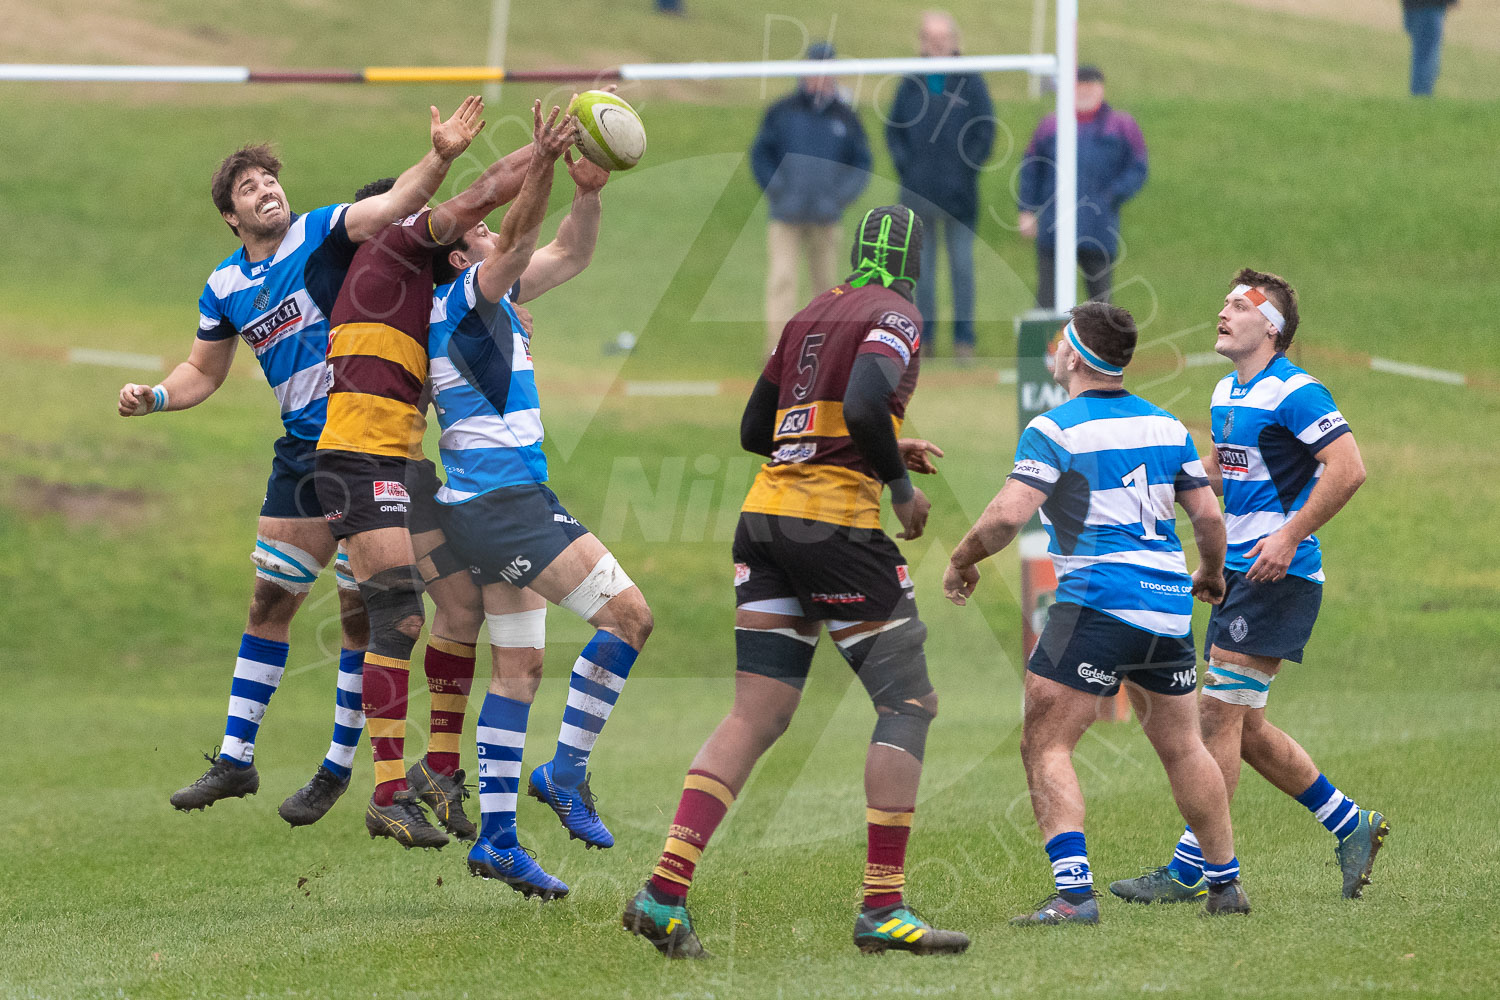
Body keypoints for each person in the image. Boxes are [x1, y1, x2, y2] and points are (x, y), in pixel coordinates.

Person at [118, 98, 486, 823]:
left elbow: (397, 203)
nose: (267, 190)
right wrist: (155, 397)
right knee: (270, 600)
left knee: (361, 616)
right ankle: (236, 758)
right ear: (230, 215)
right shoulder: (223, 286)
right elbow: (205, 370)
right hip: (299, 453)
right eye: (249, 187)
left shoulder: (320, 232)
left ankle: (337, 768)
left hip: (362, 444)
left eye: (270, 179)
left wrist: (440, 156)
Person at [621, 206, 968, 959]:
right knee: (907, 700)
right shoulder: (897, 313)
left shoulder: (813, 311)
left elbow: (758, 430)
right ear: (913, 262)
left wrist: (856, 440)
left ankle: (664, 892)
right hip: (832, 527)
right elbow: (868, 402)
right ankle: (883, 907)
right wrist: (898, 483)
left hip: (765, 521)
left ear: (855, 251)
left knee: (757, 714)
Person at [311, 104, 567, 850]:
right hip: (358, 459)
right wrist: (547, 148)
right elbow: (486, 192)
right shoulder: (393, 243)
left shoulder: (430, 301)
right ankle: (388, 793)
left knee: (460, 611)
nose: (439, 221)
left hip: (403, 463)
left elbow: (518, 257)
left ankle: (439, 773)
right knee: (402, 616)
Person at [943, 302, 1250, 922]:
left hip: (1095, 604)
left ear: (1077, 356)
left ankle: (1074, 893)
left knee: (1046, 741)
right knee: (1184, 747)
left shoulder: (1055, 430)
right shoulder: (1167, 427)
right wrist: (1212, 575)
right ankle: (1225, 885)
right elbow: (1209, 518)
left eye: (1060, 341)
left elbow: (1007, 515)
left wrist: (962, 558)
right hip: (1167, 610)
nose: (1052, 350)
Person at [1112, 270, 1387, 904]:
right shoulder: (1227, 391)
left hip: (1280, 576)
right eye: (1225, 300)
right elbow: (1225, 468)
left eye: (1240, 304)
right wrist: (1158, 478)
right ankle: (1352, 824)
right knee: (1247, 726)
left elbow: (1349, 468)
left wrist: (1289, 536)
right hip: (1238, 575)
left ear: (1273, 326)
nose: (1224, 311)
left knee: (1215, 717)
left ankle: (1191, 870)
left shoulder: (1297, 391)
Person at [426, 138, 651, 900]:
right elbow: (522, 236)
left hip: (491, 506)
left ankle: (494, 842)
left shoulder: (498, 299)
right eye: (478, 233)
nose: (492, 233)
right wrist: (546, 162)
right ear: (462, 261)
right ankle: (564, 772)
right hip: (506, 507)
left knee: (517, 670)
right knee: (629, 618)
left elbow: (565, 253)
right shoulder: (463, 300)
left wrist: (587, 195)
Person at [884, 10, 994, 360]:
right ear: (922, 41)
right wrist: (909, 170)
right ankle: (925, 339)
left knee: (962, 269)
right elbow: (894, 131)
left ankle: (964, 340)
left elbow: (984, 130)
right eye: (931, 38)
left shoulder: (970, 82)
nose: (937, 44)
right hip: (918, 195)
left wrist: (966, 170)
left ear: (954, 40)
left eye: (943, 38)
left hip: (960, 197)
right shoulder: (911, 82)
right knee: (922, 274)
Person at [750, 41, 872, 354]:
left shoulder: (845, 117)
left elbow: (862, 161)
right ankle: (777, 352)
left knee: (828, 289)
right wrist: (778, 189)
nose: (820, 78)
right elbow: (761, 154)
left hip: (826, 217)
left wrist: (839, 196)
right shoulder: (783, 111)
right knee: (782, 282)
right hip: (786, 215)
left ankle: (826, 352)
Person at [1018, 66, 1147, 310]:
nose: (1086, 91)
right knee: (1048, 301)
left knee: (1100, 305)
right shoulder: (1050, 126)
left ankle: (1099, 348)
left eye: (1092, 84)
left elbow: (1138, 167)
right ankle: (1049, 348)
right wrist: (1026, 210)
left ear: (1102, 89)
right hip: (1053, 228)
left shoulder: (1120, 126)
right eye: (1080, 84)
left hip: (1098, 228)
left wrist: (1112, 195)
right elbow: (1031, 168)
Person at [1403, 1, 1456, 96]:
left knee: (1423, 54)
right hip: (1429, 6)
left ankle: (1420, 96)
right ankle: (1421, 97)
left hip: (1415, 7)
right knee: (1426, 56)